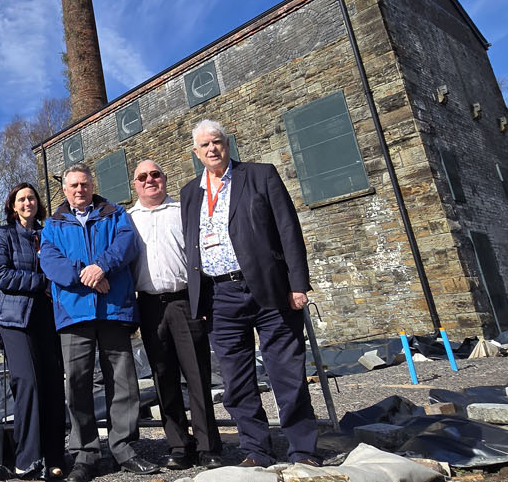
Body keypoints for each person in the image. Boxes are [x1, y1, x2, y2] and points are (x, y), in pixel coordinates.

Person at [179, 120, 318, 467]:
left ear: (227, 144)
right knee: (236, 381)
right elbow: (192, 246)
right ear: (196, 152)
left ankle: (303, 450)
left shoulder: (260, 175)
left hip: (270, 289)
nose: (212, 149)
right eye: (204, 145)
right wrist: (200, 298)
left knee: (287, 373)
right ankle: (256, 450)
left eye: (217, 142)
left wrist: (297, 284)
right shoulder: (190, 193)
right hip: (220, 296)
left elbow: (288, 229)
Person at [40, 163, 159, 482]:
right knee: (77, 384)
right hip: (74, 313)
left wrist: (102, 267)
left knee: (122, 381)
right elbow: (50, 262)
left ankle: (124, 448)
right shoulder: (53, 224)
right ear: (64, 190)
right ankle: (85, 454)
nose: (80, 189)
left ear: (92, 185)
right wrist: (89, 275)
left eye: (84, 184)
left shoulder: (115, 213)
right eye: (74, 185)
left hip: (113, 309)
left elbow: (126, 245)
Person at [127, 160, 222, 470]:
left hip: (184, 302)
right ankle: (179, 445)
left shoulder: (183, 211)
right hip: (149, 305)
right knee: (163, 377)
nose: (149, 180)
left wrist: (204, 304)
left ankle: (208, 446)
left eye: (155, 174)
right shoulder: (128, 220)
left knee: (197, 376)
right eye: (142, 176)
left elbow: (203, 257)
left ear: (164, 179)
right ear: (135, 184)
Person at [0, 183, 66, 480]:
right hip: (15, 318)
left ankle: (54, 456)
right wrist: (42, 282)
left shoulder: (48, 234)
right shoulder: (3, 235)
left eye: (31, 198)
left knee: (52, 384)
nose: (27, 203)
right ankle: (28, 458)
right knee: (28, 383)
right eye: (21, 199)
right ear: (12, 205)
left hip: (48, 317)